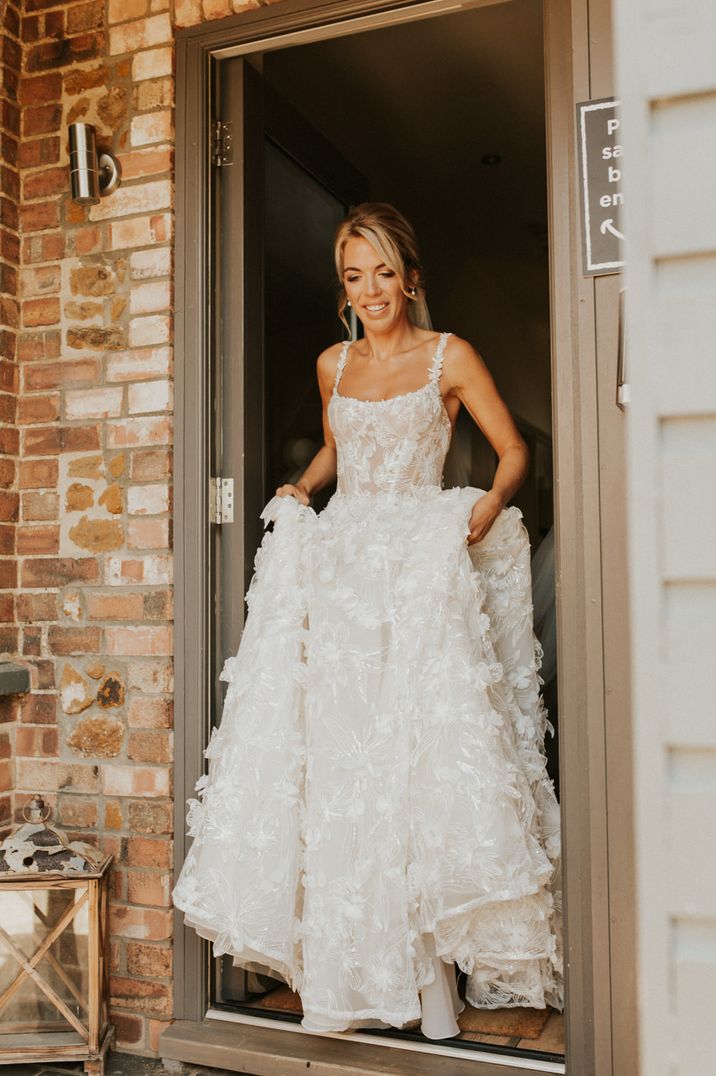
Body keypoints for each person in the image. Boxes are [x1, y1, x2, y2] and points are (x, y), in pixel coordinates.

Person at [172, 202, 563, 1039]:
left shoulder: (448, 356)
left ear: (410, 276)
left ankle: (429, 992)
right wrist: (303, 489)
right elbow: (336, 450)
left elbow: (515, 452)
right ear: (343, 288)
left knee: (409, 765)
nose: (372, 289)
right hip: (345, 573)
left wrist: (489, 505)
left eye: (385, 271)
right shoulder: (331, 364)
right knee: (343, 770)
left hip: (417, 570)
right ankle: (344, 984)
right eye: (356, 275)